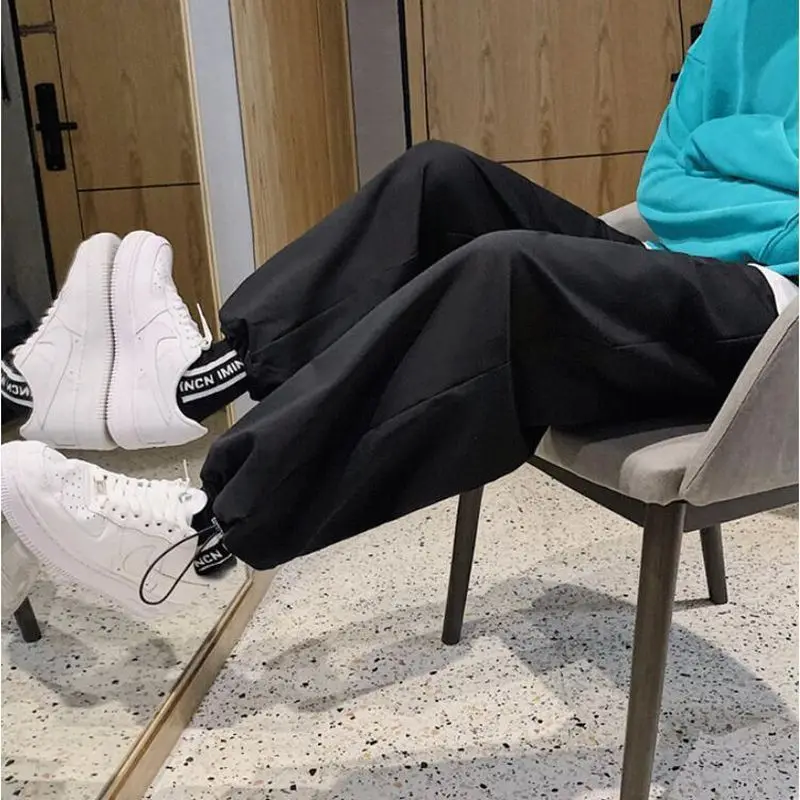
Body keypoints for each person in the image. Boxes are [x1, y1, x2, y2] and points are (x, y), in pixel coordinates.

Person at [1, 0, 797, 617]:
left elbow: (697, 186)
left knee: (507, 271)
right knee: (437, 177)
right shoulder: (746, 10)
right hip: (677, 269)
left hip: (772, 318)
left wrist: (717, 169)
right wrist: (759, 172)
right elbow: (663, 183)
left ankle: (204, 534)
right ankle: (195, 382)